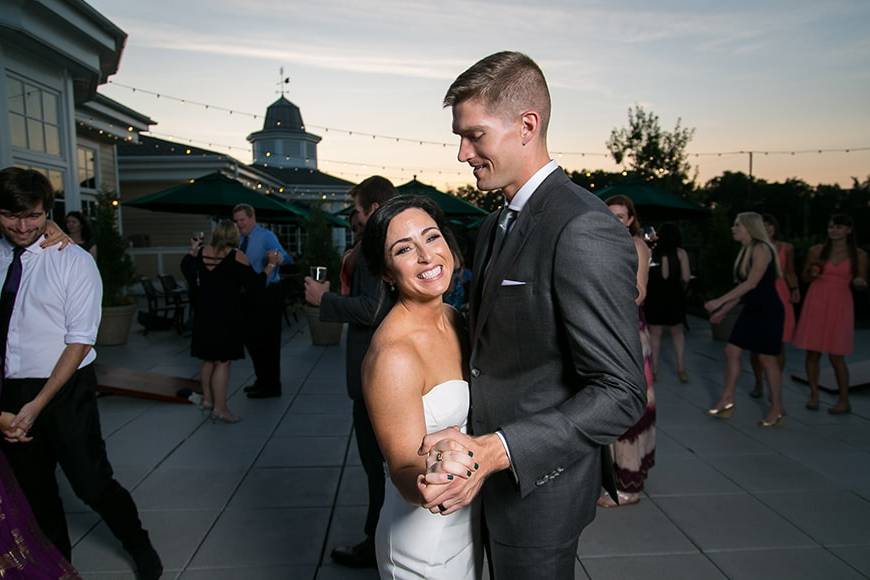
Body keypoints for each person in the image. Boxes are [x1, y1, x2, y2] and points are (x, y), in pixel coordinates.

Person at [417, 51, 646, 579]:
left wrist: (496, 451)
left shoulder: (582, 227)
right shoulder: (494, 223)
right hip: (480, 466)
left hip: (539, 487)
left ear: (527, 125)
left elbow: (621, 391)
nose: (461, 154)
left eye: (474, 136)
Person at [0, 168, 161, 577]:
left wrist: (37, 404)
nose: (22, 227)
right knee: (36, 493)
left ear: (46, 211)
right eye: (10, 215)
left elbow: (80, 342)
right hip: (10, 389)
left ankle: (138, 543)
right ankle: (58, 570)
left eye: (34, 216)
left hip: (65, 385)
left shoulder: (73, 261)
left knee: (91, 482)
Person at [361, 195, 481, 579]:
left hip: (469, 522)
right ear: (386, 272)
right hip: (423, 543)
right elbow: (402, 468)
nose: (427, 256)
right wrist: (431, 476)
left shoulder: (453, 317)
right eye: (404, 249)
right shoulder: (393, 354)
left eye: (431, 238)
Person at [304, 176, 397, 568]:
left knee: (378, 469)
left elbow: (371, 310)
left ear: (373, 209)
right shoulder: (371, 246)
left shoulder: (377, 249)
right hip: (375, 373)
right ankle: (381, 542)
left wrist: (324, 300)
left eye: (357, 209)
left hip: (376, 375)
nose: (353, 217)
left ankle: (376, 547)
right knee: (379, 468)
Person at [182, 221, 278, 423]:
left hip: (204, 315)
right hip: (226, 317)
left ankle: (208, 401)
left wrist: (192, 250)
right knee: (223, 363)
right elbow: (256, 285)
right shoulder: (236, 256)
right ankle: (220, 408)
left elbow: (186, 268)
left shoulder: (201, 252)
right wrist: (270, 265)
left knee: (208, 359)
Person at [704, 212, 785, 427]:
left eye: (737, 225)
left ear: (749, 227)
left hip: (768, 311)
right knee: (731, 351)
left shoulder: (762, 248)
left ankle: (776, 408)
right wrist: (723, 311)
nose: (733, 228)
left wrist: (719, 301)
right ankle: (727, 399)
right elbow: (744, 292)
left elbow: (751, 283)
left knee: (767, 360)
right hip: (752, 310)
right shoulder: (746, 250)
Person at [601, 195, 655, 507]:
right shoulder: (603, 242)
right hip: (606, 331)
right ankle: (613, 477)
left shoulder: (637, 246)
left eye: (621, 216)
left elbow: (640, 292)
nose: (615, 221)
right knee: (607, 404)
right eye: (610, 216)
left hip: (629, 333)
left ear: (631, 219)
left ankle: (629, 486)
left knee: (630, 406)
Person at [792, 214, 868, 414]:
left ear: (849, 230)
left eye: (839, 227)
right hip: (816, 301)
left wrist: (860, 283)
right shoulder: (816, 251)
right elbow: (805, 277)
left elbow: (860, 280)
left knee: (836, 356)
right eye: (831, 227)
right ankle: (814, 395)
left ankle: (844, 400)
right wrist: (811, 273)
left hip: (840, 304)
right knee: (812, 352)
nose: (833, 230)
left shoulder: (859, 255)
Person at [232, 204, 290, 399]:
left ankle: (272, 386)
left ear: (252, 217)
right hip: (250, 294)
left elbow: (286, 258)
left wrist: (276, 259)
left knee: (268, 341)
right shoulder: (240, 239)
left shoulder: (266, 236)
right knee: (252, 339)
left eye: (243, 220)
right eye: (237, 221)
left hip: (268, 293)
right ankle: (261, 379)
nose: (240, 224)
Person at [749, 214, 799, 399]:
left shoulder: (786, 248)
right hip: (759, 293)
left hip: (781, 293)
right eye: (763, 225)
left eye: (770, 224)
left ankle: (774, 383)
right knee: (755, 345)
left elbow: (790, 272)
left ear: (775, 227)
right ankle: (758, 382)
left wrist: (794, 289)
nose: (767, 228)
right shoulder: (750, 247)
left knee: (778, 344)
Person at [645, 222, 691, 383]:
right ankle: (681, 368)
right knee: (677, 333)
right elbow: (686, 277)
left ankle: (654, 369)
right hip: (674, 295)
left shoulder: (651, 252)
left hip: (655, 296)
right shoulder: (681, 253)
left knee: (655, 334)